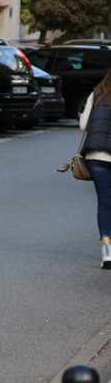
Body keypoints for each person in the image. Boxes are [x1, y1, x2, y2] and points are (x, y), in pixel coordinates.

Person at [80, 67, 111, 268]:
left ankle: (107, 251)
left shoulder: (97, 91)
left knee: (105, 202)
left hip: (95, 155)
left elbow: (84, 124)